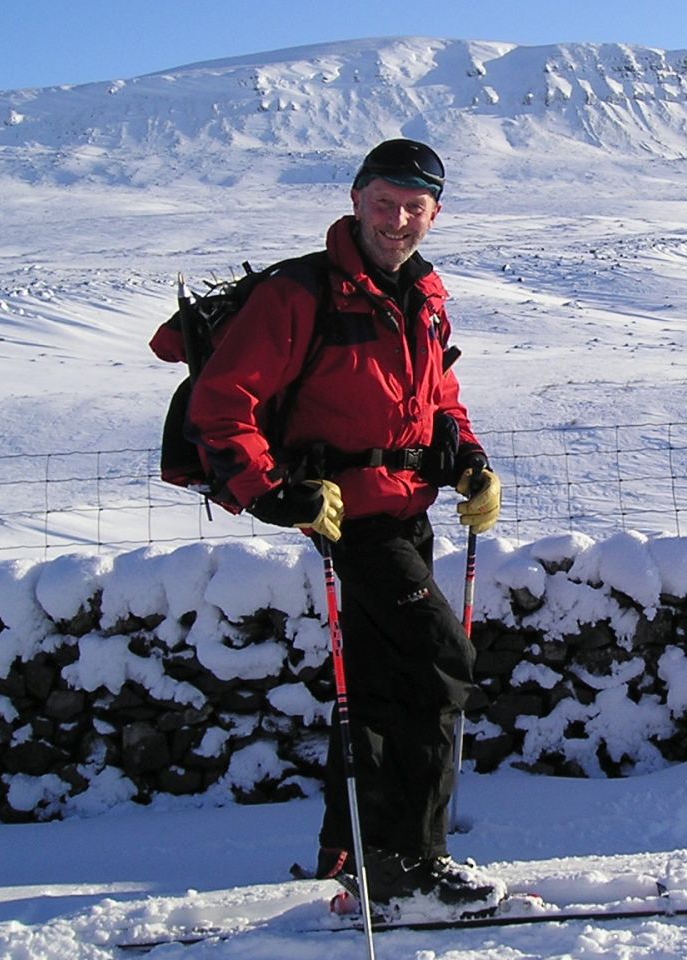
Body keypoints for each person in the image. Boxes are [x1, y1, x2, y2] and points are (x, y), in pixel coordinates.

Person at [183, 139, 503, 910]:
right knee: (437, 666)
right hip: (350, 520)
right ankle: (408, 866)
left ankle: (351, 851)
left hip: (408, 509)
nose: (397, 221)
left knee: (378, 685)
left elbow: (439, 399)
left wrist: (468, 461)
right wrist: (273, 492)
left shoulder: (423, 294)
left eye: (414, 208)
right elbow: (221, 404)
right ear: (356, 199)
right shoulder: (298, 294)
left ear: (435, 213)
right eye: (384, 203)